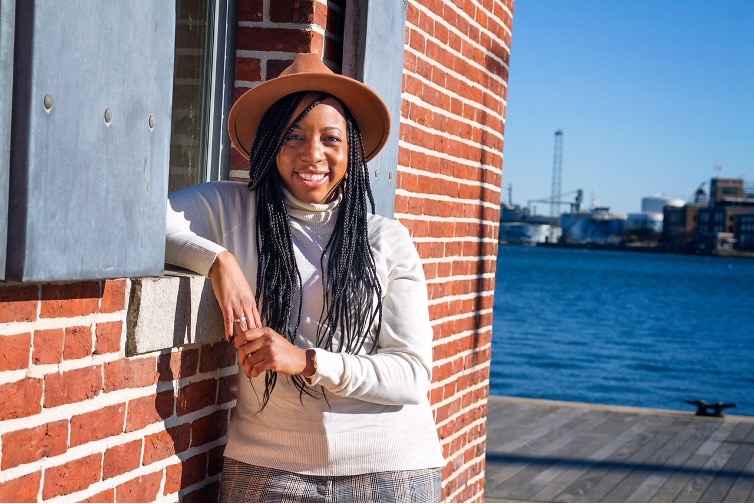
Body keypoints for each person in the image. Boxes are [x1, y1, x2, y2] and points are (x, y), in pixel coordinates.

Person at [166, 53, 445, 502]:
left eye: (330, 139)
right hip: (269, 468)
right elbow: (143, 219)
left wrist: (307, 361)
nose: (312, 154)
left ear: (349, 150)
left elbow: (411, 375)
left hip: (389, 471)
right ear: (269, 143)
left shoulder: (387, 239)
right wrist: (218, 260)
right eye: (293, 136)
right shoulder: (230, 209)